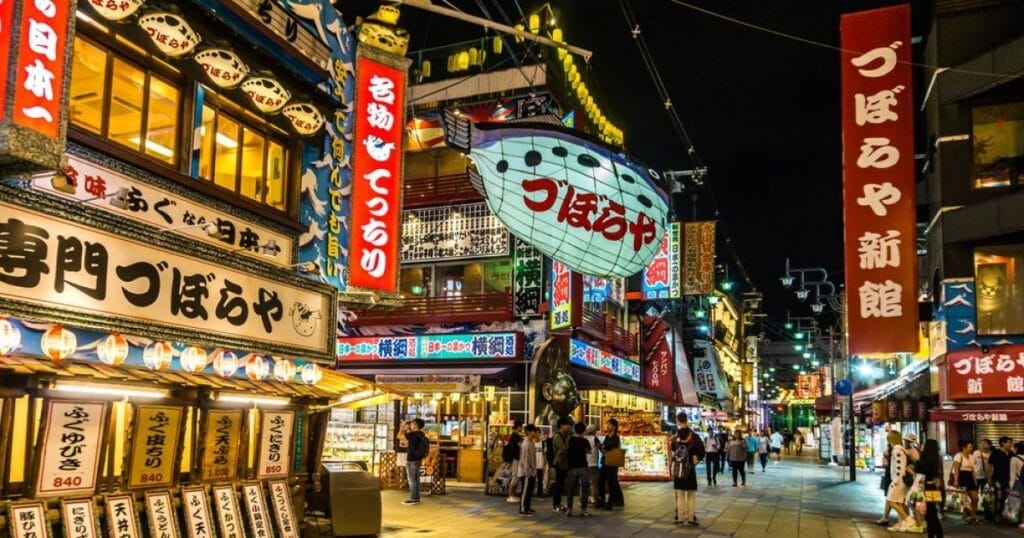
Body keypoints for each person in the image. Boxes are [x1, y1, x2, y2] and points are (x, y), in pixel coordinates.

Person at [671, 413, 705, 527]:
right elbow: (701, 453)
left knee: (680, 496)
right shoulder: (694, 437)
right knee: (691, 496)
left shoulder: (676, 440)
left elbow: (671, 449)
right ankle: (691, 518)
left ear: (678, 420)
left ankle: (680, 518)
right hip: (690, 471)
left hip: (679, 471)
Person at [885, 431, 916, 532]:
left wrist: (896, 480)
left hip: (898, 480)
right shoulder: (900, 449)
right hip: (900, 479)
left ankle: (907, 519)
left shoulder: (897, 450)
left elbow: (899, 466)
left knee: (890, 500)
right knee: (898, 502)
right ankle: (900, 523)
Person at [918, 439, 945, 538]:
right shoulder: (937, 459)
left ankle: (935, 533)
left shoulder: (924, 459)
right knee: (933, 512)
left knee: (929, 514)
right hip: (934, 487)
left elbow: (919, 471)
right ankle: (936, 533)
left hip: (926, 487)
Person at [565, 422, 592, 518]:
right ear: (583, 431)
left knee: (571, 490)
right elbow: (590, 451)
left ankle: (569, 510)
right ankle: (583, 511)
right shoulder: (584, 441)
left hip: (572, 467)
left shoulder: (570, 440)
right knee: (585, 489)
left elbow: (567, 451)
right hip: (583, 467)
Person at [401, 418, 429, 505]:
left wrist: (402, 428)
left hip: (411, 460)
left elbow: (399, 437)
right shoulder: (421, 434)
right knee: (416, 479)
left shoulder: (413, 434)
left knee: (412, 480)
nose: (411, 425)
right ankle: (417, 498)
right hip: (418, 459)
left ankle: (413, 498)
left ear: (416, 425)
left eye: (412, 423)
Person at [952, 438, 980, 524]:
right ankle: (965, 516)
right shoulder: (958, 456)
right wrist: (956, 480)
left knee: (975, 498)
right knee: (963, 499)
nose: (971, 448)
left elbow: (973, 470)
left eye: (972, 447)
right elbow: (956, 469)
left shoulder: (972, 457)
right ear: (964, 447)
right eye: (970, 447)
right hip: (961, 477)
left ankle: (973, 515)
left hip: (970, 477)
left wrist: (975, 480)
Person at [598, 418, 624, 510]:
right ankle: (602, 500)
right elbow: (603, 448)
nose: (607, 426)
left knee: (612, 482)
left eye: (609, 424)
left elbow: (608, 446)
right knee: (601, 481)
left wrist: (603, 446)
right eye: (607, 424)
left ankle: (611, 501)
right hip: (605, 461)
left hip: (612, 463)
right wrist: (602, 447)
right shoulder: (607, 436)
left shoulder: (615, 437)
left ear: (614, 426)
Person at [551, 417, 572, 512]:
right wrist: (568, 442)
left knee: (561, 484)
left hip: (564, 463)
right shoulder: (557, 437)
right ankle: (556, 505)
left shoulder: (564, 435)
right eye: (566, 424)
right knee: (558, 484)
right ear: (561, 425)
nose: (568, 426)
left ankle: (558, 504)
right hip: (559, 463)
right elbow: (563, 449)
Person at [517, 425, 539, 516]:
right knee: (525, 490)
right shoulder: (526, 443)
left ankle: (527, 507)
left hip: (531, 471)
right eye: (534, 431)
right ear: (528, 432)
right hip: (526, 472)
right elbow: (525, 459)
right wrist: (527, 472)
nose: (535, 433)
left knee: (529, 490)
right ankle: (522, 509)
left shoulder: (531, 442)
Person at [990, 436, 1013, 521]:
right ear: (1003, 443)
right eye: (1009, 443)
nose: (1011, 445)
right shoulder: (996, 452)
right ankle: (997, 514)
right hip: (997, 479)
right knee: (998, 497)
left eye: (1011, 443)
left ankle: (1004, 514)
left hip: (1008, 479)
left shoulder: (1011, 453)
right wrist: (989, 479)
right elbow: (990, 466)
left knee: (1006, 497)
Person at [505, 420, 524, 503]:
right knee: (515, 477)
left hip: (516, 459)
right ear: (519, 427)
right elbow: (521, 446)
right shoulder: (515, 436)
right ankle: (510, 495)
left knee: (516, 477)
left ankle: (512, 495)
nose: (522, 428)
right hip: (516, 459)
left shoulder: (516, 436)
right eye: (521, 427)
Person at [584, 424, 600, 503]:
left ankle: (582, 499)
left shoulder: (583, 438)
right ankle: (595, 500)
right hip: (593, 464)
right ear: (593, 431)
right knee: (594, 483)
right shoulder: (595, 439)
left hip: (584, 464)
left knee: (584, 483)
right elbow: (601, 448)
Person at [535, 428, 548, 498]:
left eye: (538, 433)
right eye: (536, 433)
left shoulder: (543, 443)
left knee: (540, 480)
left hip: (540, 464)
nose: (537, 434)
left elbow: (545, 454)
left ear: (540, 434)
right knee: (532, 480)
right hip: (533, 465)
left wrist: (544, 463)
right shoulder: (532, 442)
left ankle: (540, 494)